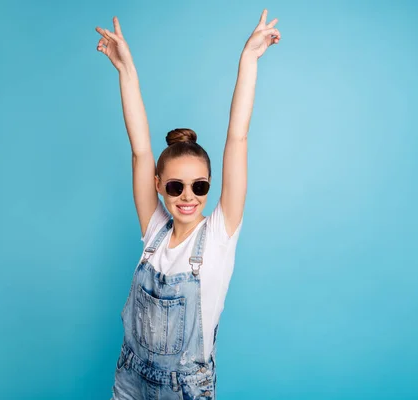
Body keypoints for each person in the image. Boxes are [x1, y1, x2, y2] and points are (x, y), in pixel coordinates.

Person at [95, 9, 280, 400]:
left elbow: (237, 138)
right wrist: (125, 71)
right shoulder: (154, 231)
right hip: (130, 378)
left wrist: (248, 59)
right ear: (159, 186)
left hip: (185, 390)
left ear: (210, 187)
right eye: (176, 185)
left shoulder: (219, 235)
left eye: (199, 186)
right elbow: (140, 150)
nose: (188, 196)